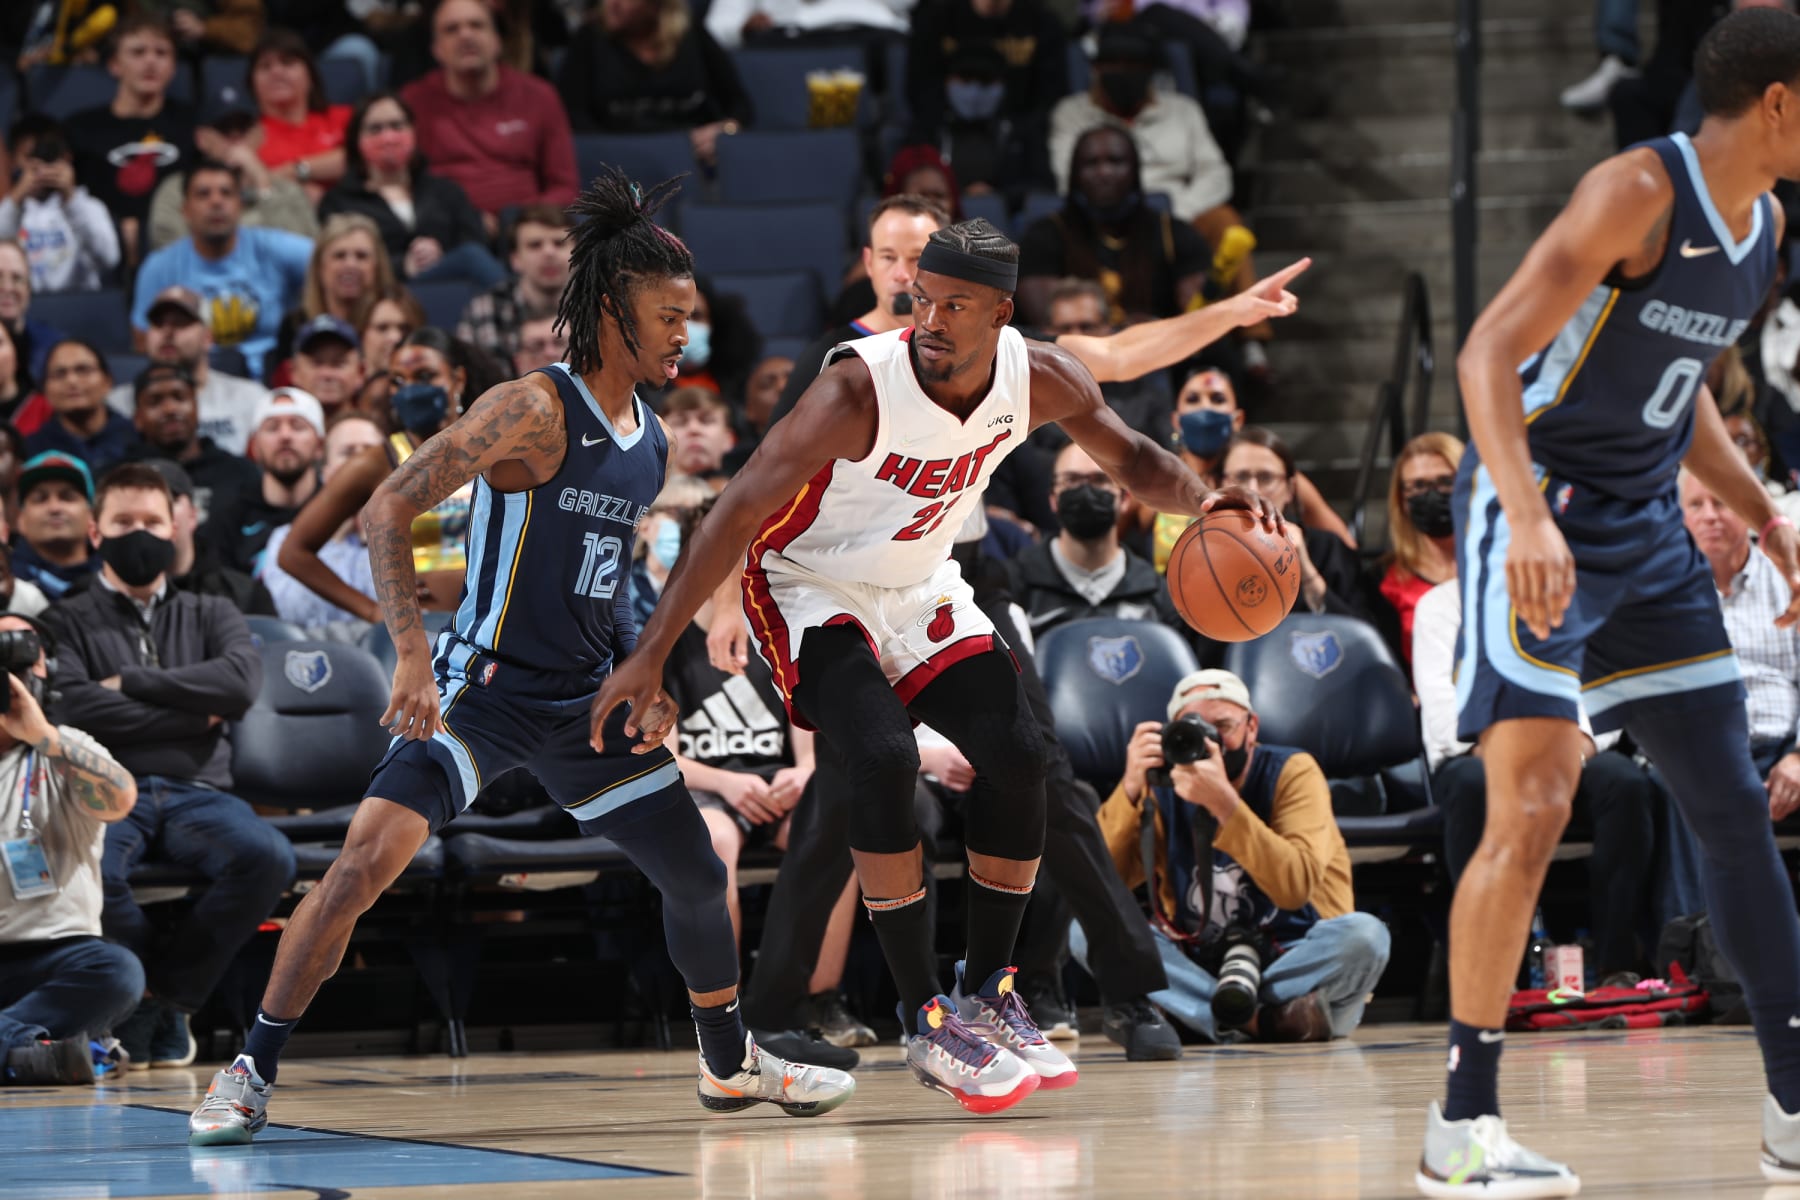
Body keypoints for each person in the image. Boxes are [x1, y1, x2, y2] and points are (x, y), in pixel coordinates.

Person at [186, 168, 855, 1146]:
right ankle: (250, 1068)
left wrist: (646, 673)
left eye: (691, 316)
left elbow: (608, 574)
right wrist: (411, 657)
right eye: (670, 316)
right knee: (359, 868)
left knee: (697, 875)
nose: (684, 334)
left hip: (586, 702)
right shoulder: (532, 409)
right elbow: (387, 506)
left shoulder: (655, 442)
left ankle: (729, 1065)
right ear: (616, 311)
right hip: (483, 689)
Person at [594, 217, 1292, 1113]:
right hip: (809, 582)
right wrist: (653, 653)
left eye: (954, 303)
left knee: (1020, 756)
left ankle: (989, 996)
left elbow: (1134, 457)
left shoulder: (1039, 375)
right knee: (881, 758)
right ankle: (926, 1016)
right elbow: (736, 507)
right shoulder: (855, 389)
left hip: (919, 583)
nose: (929, 318)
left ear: (1003, 313)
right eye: (921, 297)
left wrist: (1206, 500)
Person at [1418, 11, 1800, 1194]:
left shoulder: (1764, 224)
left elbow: (1676, 391)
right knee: (1533, 797)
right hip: (1538, 507)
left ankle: (1793, 1109)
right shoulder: (1637, 188)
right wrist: (1525, 512)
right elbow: (1485, 353)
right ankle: (1461, 1125)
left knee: (1731, 806)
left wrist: (1775, 519)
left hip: (1645, 530)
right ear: (1780, 103)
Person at [47, 463, 295, 1073]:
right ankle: (142, 1000)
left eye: (152, 521)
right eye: (124, 521)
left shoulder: (214, 611)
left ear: (177, 525)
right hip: (101, 788)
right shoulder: (63, 619)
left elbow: (238, 687)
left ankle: (171, 998)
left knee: (269, 858)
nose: (141, 533)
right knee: (88, 873)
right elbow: (74, 706)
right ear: (96, 530)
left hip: (197, 790)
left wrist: (128, 683)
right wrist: (192, 713)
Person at [1084, 669, 1390, 1043]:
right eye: (1195, 730)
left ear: (1252, 727)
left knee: (1367, 935)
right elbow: (1098, 886)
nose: (1212, 743)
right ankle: (1261, 1021)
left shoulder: (1293, 773)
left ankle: (1198, 1015)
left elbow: (1294, 888)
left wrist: (1224, 805)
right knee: (1087, 926)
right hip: (1201, 957)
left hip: (1292, 952)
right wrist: (1130, 788)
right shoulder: (1161, 783)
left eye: (1223, 727)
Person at [1414, 576, 1660, 986]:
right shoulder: (1440, 605)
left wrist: (1576, 747)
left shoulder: (1573, 598)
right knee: (1473, 784)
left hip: (1562, 753)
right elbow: (1440, 706)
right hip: (1477, 757)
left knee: (1624, 782)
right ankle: (1496, 970)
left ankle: (1617, 962)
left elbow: (1601, 689)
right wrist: (1508, 758)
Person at [0, 613, 141, 1087]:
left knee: (118, 971)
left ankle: (18, 1048)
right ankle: (29, 1052)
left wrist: (42, 736)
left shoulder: (67, 748)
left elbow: (121, 798)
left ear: (46, 670)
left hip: (60, 958)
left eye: (22, 655)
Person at [1047, 22, 1258, 312]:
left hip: (1181, 210)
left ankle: (1248, 340)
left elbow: (1216, 173)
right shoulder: (1072, 113)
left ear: (1151, 70)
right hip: (1104, 215)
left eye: (1133, 64)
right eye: (1114, 64)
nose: (1123, 72)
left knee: (1226, 221)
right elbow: (1067, 176)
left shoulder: (1183, 110)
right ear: (1096, 69)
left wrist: (1180, 210)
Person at [277, 329, 475, 621]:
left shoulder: (493, 448)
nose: (410, 389)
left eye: (424, 376)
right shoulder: (377, 463)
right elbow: (293, 553)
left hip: (494, 631)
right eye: (398, 381)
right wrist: (372, 610)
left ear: (458, 379)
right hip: (423, 639)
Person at [400, 0, 579, 231]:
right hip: (445, 231)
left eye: (477, 25)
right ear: (436, 49)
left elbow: (564, 187)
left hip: (525, 231)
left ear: (497, 41)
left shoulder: (539, 96)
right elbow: (399, 185)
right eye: (451, 29)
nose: (465, 35)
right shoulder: (413, 101)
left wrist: (515, 223)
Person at [1005, 441, 1200, 650]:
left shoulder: (1158, 594)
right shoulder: (1014, 584)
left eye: (1100, 480)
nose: (1086, 491)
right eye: (1071, 480)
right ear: (1053, 499)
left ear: (1125, 498)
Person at [131, 161, 313, 383]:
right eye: (203, 194)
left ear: (241, 205)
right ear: (185, 210)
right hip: (192, 381)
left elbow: (328, 261)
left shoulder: (273, 248)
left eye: (226, 193)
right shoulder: (159, 266)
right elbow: (143, 342)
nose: (216, 202)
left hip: (270, 381)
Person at [1681, 469, 1800, 803]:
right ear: (1680, 517)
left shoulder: (1789, 579)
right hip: (1692, 755)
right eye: (1696, 505)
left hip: (1780, 748)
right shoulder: (1663, 585)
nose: (1709, 516)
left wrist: (1799, 758)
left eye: (1721, 503)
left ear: (1750, 514)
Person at [1018, 126, 1212, 328]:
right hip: (1075, 353)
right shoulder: (1042, 237)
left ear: (1135, 171)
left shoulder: (1174, 234)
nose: (1104, 172)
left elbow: (1198, 319)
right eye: (1091, 163)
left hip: (1160, 350)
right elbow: (1050, 326)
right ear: (1074, 174)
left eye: (1116, 161)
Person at [318, 92, 505, 289]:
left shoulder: (446, 191)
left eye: (397, 126)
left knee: (472, 255)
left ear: (413, 132)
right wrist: (403, 265)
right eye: (375, 129)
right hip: (382, 293)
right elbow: (338, 262)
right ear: (357, 140)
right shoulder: (339, 202)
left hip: (450, 286)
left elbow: (475, 243)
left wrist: (440, 254)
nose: (388, 137)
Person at [65, 15, 197, 266]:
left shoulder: (192, 124)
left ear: (173, 67)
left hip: (179, 251)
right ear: (115, 65)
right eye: (138, 52)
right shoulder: (81, 128)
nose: (151, 62)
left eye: (161, 53)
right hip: (99, 255)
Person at [559, 0, 754, 168]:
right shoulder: (589, 38)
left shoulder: (691, 34)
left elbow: (739, 105)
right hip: (614, 163)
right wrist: (614, 152)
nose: (612, 4)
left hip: (689, 158)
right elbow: (571, 114)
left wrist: (725, 130)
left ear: (655, 5)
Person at [148, 90, 321, 254]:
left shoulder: (288, 190)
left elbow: (304, 256)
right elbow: (173, 254)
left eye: (243, 129)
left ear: (261, 134)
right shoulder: (176, 190)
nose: (236, 139)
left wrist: (263, 184)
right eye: (225, 130)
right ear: (201, 139)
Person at [260, 415, 387, 635]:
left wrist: (370, 539)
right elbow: (290, 609)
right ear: (327, 473)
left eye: (370, 452)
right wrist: (335, 533)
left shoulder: (409, 531)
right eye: (348, 452)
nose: (361, 462)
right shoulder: (284, 538)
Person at [106, 287, 268, 455]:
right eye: (158, 323)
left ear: (208, 337)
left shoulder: (251, 398)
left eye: (180, 323)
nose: (167, 332)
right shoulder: (117, 404)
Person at [1220, 428, 1364, 616]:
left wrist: (1306, 571)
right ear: (1222, 485)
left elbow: (1364, 636)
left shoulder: (1328, 548)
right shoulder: (1206, 552)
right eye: (1241, 477)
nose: (1252, 490)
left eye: (1266, 477)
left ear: (1290, 489)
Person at [124, 362, 260, 528]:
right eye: (155, 402)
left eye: (179, 397)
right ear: (137, 418)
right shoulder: (119, 476)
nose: (170, 409)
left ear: (197, 407)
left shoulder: (240, 473)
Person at [1370, 432, 1464, 666]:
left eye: (1446, 481)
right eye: (1418, 486)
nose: (1432, 494)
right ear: (1402, 499)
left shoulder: (1500, 563)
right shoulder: (1384, 580)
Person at [138, 458, 275, 616]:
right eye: (143, 503)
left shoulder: (245, 594)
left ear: (193, 516)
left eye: (170, 500)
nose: (158, 512)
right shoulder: (112, 598)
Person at [0, 116, 121, 295]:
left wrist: (70, 199)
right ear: (14, 161)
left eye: (48, 157)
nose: (40, 167)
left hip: (78, 305)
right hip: (23, 305)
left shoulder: (88, 206)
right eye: (30, 158)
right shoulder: (10, 208)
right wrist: (18, 197)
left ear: (66, 157)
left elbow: (109, 258)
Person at [217, 387, 327, 575]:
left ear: (320, 445)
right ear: (254, 448)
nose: (285, 436)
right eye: (272, 427)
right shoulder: (228, 517)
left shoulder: (337, 511)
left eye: (297, 426)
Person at [275, 214, 397, 380]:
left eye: (361, 256)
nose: (350, 265)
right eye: (339, 256)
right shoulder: (294, 325)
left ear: (377, 266)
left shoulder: (394, 325)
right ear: (320, 266)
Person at [454, 205, 573, 366]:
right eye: (535, 245)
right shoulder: (484, 309)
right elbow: (471, 380)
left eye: (559, 243)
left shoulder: (603, 308)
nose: (549, 253)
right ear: (515, 259)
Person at [249, 27, 351, 201]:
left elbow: (364, 158)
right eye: (265, 67)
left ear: (310, 76)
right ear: (252, 83)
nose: (276, 72)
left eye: (288, 63)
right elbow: (249, 188)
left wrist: (294, 171)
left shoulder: (342, 117)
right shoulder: (249, 135)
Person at [25, 341, 140, 477]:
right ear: (45, 388)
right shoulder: (31, 451)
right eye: (59, 374)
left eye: (83, 370)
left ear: (108, 381)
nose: (72, 380)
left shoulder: (139, 439)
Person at [10, 453, 99, 600]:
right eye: (40, 499)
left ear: (92, 516)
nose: (54, 508)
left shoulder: (118, 580)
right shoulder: (7, 584)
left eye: (67, 497)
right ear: (21, 519)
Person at [288, 315, 366, 419]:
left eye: (338, 364)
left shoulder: (376, 432)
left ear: (360, 372)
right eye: (316, 363)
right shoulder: (280, 433)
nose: (327, 374)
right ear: (294, 371)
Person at [662, 387, 736, 481]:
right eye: (680, 422)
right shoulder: (645, 493)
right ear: (661, 438)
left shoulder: (750, 491)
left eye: (706, 421)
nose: (694, 429)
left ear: (728, 438)